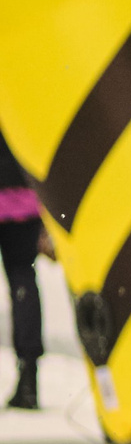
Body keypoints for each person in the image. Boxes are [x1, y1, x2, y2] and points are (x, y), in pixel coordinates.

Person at [0, 136, 44, 411]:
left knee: (22, 279)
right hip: (24, 197)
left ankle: (27, 378)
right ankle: (29, 377)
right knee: (23, 280)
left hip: (19, 197)